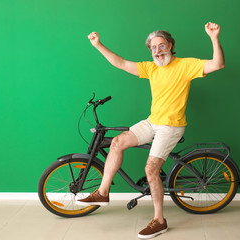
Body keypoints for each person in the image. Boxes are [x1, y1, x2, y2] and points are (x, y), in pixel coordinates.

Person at [77, 22, 225, 239]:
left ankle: (160, 221)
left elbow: (218, 64)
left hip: (172, 125)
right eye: (153, 48)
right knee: (117, 142)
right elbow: (120, 63)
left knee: (151, 169)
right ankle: (102, 192)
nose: (158, 51)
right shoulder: (151, 68)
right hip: (153, 121)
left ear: (171, 45)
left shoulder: (186, 65)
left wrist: (214, 37)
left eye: (161, 45)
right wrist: (98, 45)